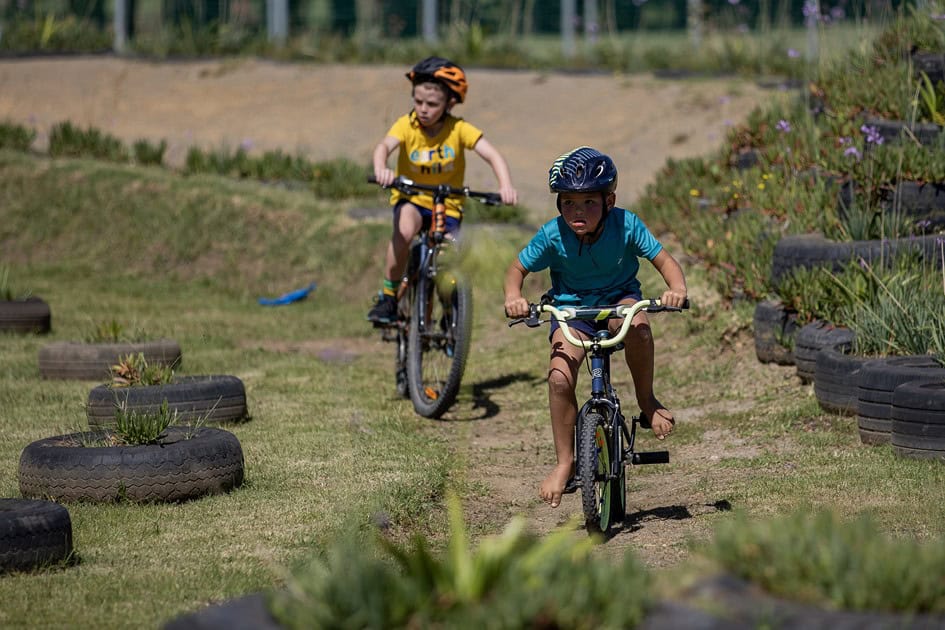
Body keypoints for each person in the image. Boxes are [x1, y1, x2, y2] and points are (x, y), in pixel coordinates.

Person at [503, 146, 688, 509]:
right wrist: (514, 296)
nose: (578, 211)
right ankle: (565, 462)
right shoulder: (552, 234)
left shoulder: (627, 224)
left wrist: (676, 290)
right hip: (571, 311)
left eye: (589, 202)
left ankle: (647, 401)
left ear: (609, 200)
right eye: (568, 202)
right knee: (558, 377)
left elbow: (665, 261)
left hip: (619, 300)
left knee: (639, 326)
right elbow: (517, 270)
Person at [367, 56, 518, 323]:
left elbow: (493, 155)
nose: (423, 109)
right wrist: (382, 168)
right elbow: (383, 147)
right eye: (418, 101)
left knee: (452, 257)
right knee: (404, 230)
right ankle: (388, 297)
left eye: (432, 104)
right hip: (413, 199)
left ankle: (450, 310)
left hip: (448, 205)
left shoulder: (458, 129)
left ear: (450, 103)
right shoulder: (406, 125)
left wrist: (505, 185)